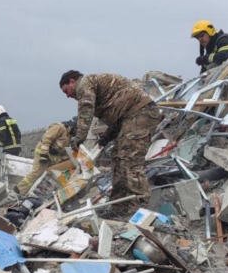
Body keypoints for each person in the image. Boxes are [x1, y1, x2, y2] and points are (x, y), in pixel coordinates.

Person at [59, 70, 162, 217]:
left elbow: (86, 109)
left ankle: (141, 210)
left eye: (66, 91)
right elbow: (117, 117)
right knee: (118, 160)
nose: (68, 95)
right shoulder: (96, 88)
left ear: (72, 82)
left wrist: (79, 138)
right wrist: (105, 138)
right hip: (130, 117)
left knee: (129, 159)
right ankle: (119, 208)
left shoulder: (84, 84)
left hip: (140, 113)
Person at [15, 118, 77, 195]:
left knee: (53, 172)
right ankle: (18, 190)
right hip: (42, 152)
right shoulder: (59, 128)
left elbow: (63, 151)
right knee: (36, 173)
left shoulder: (68, 136)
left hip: (52, 156)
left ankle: (44, 192)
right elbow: (46, 139)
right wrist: (43, 155)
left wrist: (67, 160)